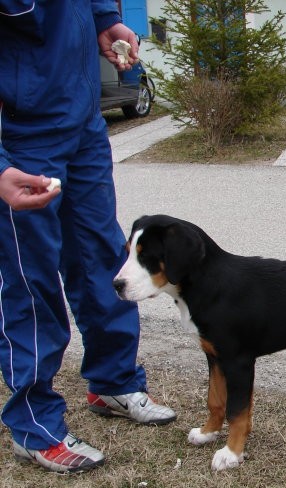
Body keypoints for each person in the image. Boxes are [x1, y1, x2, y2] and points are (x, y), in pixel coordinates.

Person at [0, 0, 176, 474]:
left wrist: (103, 19)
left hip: (83, 124)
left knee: (103, 258)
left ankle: (112, 382)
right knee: (30, 280)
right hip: (19, 137)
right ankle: (34, 425)